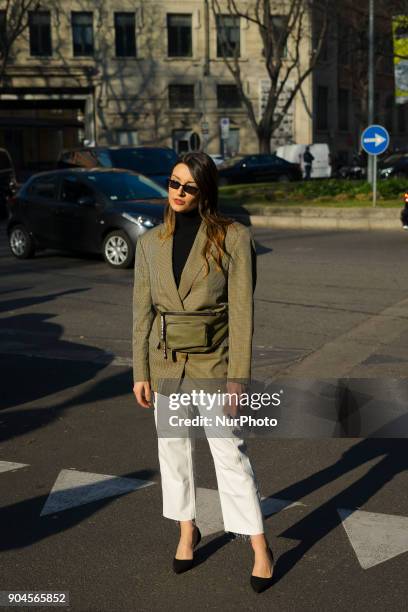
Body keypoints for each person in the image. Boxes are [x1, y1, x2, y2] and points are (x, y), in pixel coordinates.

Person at [132, 152, 274, 593]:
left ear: (205, 192)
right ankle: (186, 530)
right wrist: (140, 370)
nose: (178, 193)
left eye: (189, 187)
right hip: (166, 364)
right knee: (173, 454)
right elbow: (142, 311)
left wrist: (238, 378)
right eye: (173, 184)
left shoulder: (232, 237)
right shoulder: (149, 243)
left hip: (215, 364)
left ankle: (259, 547)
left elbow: (243, 313)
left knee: (230, 455)